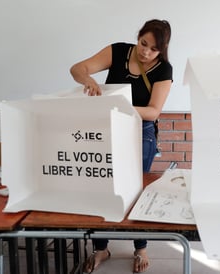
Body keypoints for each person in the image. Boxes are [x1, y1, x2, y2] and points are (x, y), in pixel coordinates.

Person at [70, 19, 172, 273]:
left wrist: (116, 106)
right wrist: (88, 81)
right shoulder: (118, 52)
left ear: (162, 51)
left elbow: (153, 112)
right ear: (137, 38)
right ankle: (101, 248)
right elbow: (77, 68)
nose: (146, 52)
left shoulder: (164, 70)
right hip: (109, 130)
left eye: (153, 49)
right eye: (143, 43)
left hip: (141, 133)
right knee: (103, 187)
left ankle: (141, 248)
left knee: (137, 192)